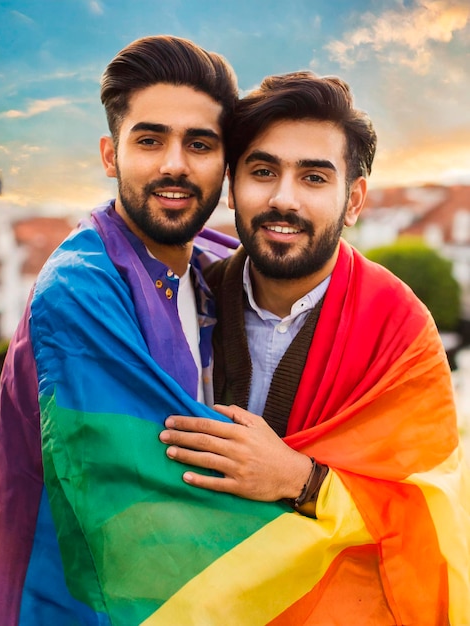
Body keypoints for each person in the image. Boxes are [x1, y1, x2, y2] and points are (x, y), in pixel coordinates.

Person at [159, 72, 470, 624]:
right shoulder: (183, 302)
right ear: (232, 187)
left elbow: (435, 509)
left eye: (314, 178)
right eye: (262, 172)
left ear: (353, 199)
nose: (283, 199)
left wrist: (301, 481)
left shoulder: (400, 332)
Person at [0, 35, 240, 625]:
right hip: (77, 607)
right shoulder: (79, 290)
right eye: (149, 140)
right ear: (110, 155)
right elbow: (162, 496)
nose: (174, 163)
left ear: (225, 168)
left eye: (199, 144)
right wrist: (315, 485)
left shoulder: (213, 267)